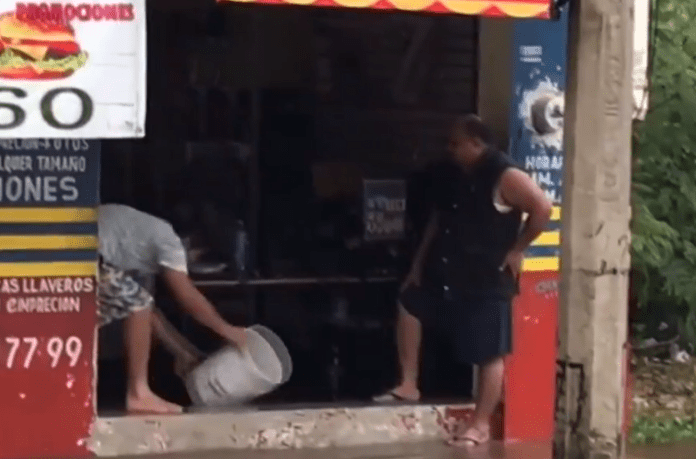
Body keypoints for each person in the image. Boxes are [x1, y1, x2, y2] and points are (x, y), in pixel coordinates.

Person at [373, 115, 552, 447]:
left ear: (476, 143)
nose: (450, 149)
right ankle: (408, 383)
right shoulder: (454, 175)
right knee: (410, 303)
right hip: (447, 269)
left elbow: (542, 207)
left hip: (487, 274)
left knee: (490, 351)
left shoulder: (505, 174)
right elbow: (437, 220)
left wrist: (517, 249)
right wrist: (418, 265)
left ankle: (480, 424)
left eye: (456, 144)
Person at [97, 203, 248, 414]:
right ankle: (138, 393)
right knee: (138, 304)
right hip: (86, 252)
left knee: (138, 306)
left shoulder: (139, 231)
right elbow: (186, 295)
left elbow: (148, 318)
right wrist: (227, 330)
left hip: (67, 247)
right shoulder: (170, 241)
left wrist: (185, 354)